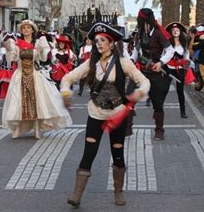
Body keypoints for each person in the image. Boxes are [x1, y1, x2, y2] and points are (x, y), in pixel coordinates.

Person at [61, 22, 150, 208]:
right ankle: (76, 194)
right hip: (95, 113)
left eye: (103, 40)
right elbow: (68, 77)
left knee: (117, 153)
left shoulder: (124, 63)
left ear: (111, 43)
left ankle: (118, 192)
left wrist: (140, 92)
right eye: (96, 41)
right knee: (88, 153)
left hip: (118, 114)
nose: (99, 43)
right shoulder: (90, 63)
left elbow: (144, 81)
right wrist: (66, 92)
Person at [2, 20, 72, 139]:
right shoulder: (17, 44)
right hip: (20, 74)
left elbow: (43, 59)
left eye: (28, 28)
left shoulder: (38, 43)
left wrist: (42, 49)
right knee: (18, 101)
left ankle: (36, 128)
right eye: (23, 28)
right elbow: (12, 59)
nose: (26, 30)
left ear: (32, 30)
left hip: (34, 74)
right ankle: (17, 128)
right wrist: (8, 48)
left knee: (37, 102)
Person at [136, 8, 174, 141]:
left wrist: (161, 63)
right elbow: (137, 52)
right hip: (141, 71)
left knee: (158, 103)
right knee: (128, 96)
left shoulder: (158, 33)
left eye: (146, 23)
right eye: (142, 23)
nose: (144, 26)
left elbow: (170, 50)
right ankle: (127, 127)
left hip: (156, 71)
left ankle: (159, 130)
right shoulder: (139, 33)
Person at [165, 22, 191, 118]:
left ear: (180, 32)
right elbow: (164, 55)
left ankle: (182, 112)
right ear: (171, 32)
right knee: (164, 89)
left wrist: (186, 63)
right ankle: (159, 110)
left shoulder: (184, 43)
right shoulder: (167, 43)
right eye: (173, 30)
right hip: (169, 68)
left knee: (180, 90)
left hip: (180, 69)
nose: (175, 32)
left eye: (177, 30)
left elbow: (187, 55)